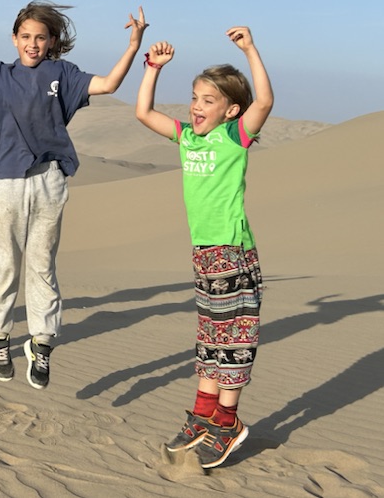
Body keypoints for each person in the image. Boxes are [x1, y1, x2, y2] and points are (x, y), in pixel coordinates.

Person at [0, 0, 147, 390]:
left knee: (42, 265)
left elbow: (109, 84)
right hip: (8, 180)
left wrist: (133, 45)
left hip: (50, 180)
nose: (33, 44)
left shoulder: (64, 74)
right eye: (25, 36)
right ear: (14, 38)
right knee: (5, 263)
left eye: (41, 37)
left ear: (52, 41)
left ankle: (42, 342)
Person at [134, 28, 274, 469]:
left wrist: (249, 50)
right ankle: (203, 415)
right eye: (194, 97)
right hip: (204, 256)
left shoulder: (234, 136)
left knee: (234, 340)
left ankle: (228, 422)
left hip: (232, 252)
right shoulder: (187, 138)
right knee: (210, 340)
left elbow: (264, 102)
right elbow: (143, 112)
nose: (196, 106)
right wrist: (152, 68)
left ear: (230, 110)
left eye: (208, 100)